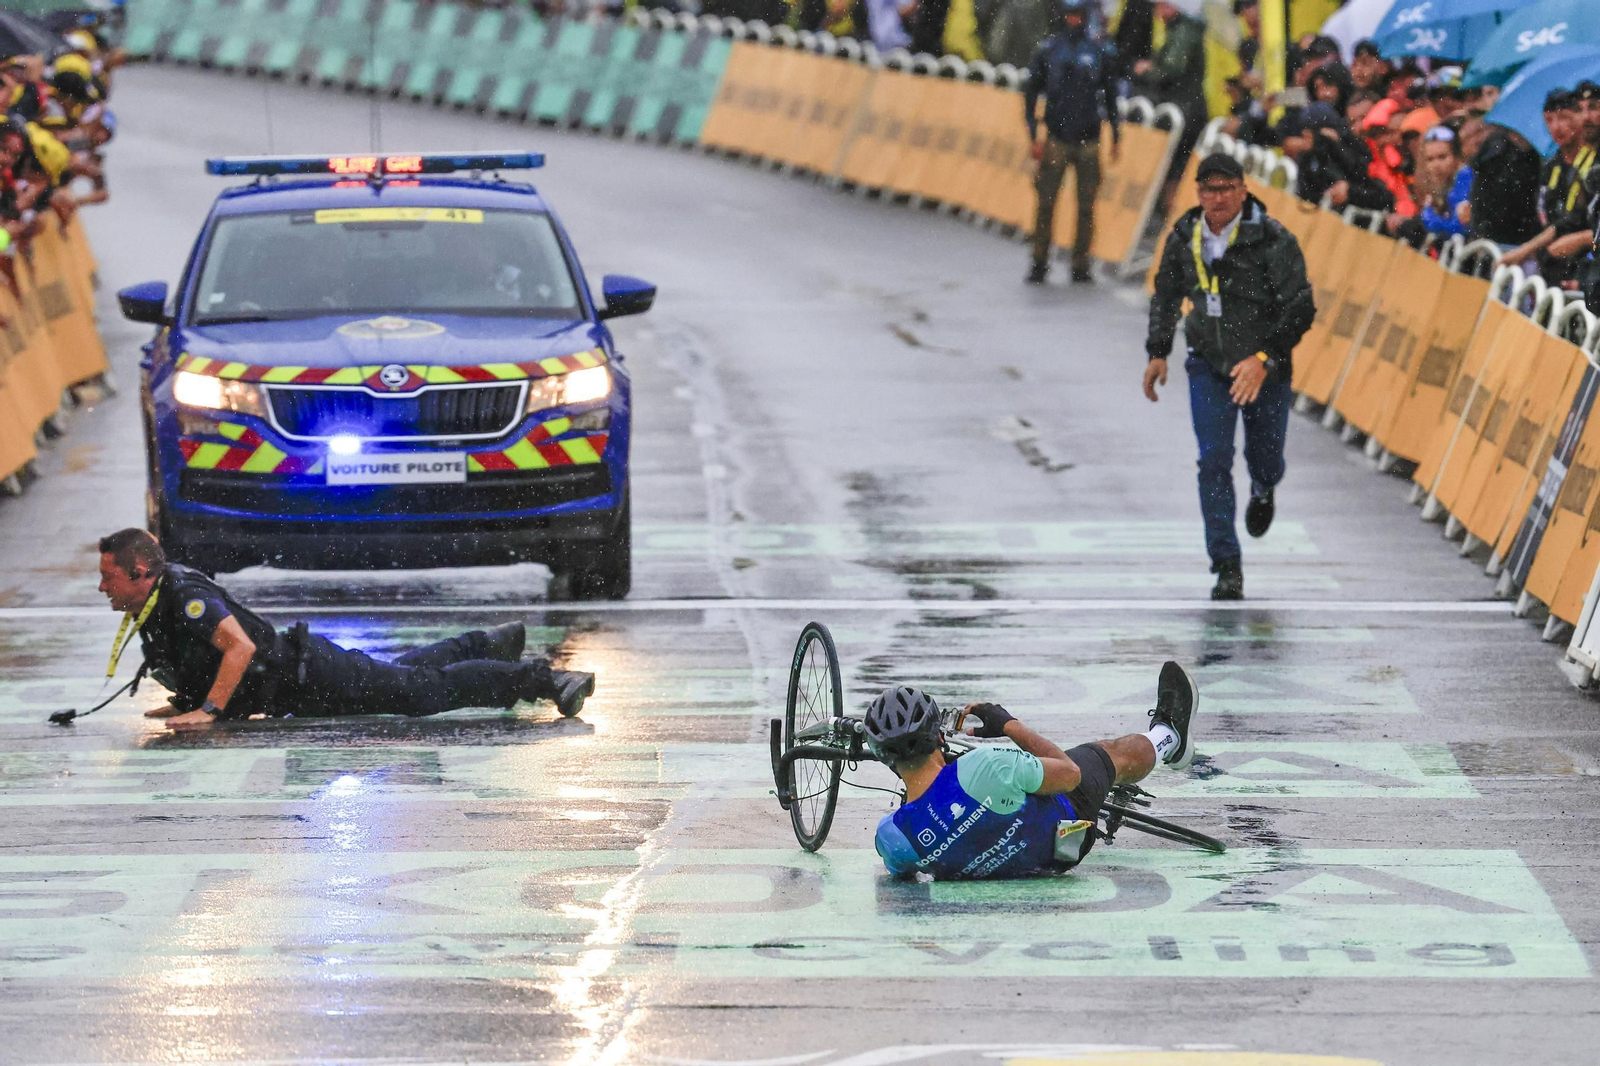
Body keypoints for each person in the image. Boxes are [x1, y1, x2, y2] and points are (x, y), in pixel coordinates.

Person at [95, 528, 596, 729]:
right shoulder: (157, 603)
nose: (103, 588)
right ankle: (485, 644)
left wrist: (208, 710)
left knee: (418, 694)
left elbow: (239, 648)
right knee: (393, 677)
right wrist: (185, 702)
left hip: (310, 673)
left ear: (140, 572)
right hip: (302, 684)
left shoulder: (185, 599)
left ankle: (546, 681)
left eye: (109, 576)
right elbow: (196, 659)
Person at [1142, 153, 1315, 600]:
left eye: (1225, 189)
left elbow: (1301, 308)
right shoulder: (1185, 236)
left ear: (1242, 190)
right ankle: (1226, 564)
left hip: (1264, 369)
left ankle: (1263, 488)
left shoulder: (1273, 240)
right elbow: (1166, 293)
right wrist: (1158, 351)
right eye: (1208, 190)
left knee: (1265, 459)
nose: (1216, 199)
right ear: (1198, 193)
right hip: (1210, 364)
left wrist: (1263, 358)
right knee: (1214, 460)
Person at [870, 662, 1199, 880]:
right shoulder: (983, 766)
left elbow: (904, 868)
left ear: (884, 758)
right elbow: (1070, 774)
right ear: (939, 735)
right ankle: (1168, 737)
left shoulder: (892, 838)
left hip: (1043, 863)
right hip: (1067, 828)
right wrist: (1008, 725)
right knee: (1110, 753)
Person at [1021, 0, 1120, 285]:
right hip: (1056, 138)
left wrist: (1115, 133)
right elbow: (1031, 91)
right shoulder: (1049, 50)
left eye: (1078, 15)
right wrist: (1032, 133)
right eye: (1069, 15)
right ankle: (1039, 260)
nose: (1073, 20)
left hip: (1089, 138)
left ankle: (1081, 262)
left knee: (1087, 204)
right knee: (1046, 202)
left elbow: (1110, 95)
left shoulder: (1098, 51)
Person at [1501, 91, 1595, 286]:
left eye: (1564, 118)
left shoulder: (1594, 163)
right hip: (1553, 265)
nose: (1557, 127)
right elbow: (1550, 218)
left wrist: (1525, 251)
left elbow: (1574, 222)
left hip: (1585, 267)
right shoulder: (1551, 166)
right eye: (1550, 120)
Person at [1134, 0, 1207, 207]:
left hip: (1183, 112)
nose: (1156, 8)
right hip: (1184, 109)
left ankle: (1172, 219)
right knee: (1175, 168)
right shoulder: (1181, 30)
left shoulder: (1183, 32)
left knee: (1175, 169)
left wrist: (1148, 71)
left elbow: (1172, 69)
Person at [1419, 125, 1473, 241]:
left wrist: (1428, 214)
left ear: (1456, 156)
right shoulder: (1440, 184)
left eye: (1442, 157)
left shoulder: (1464, 176)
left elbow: (1458, 228)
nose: (1436, 165)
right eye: (1430, 159)